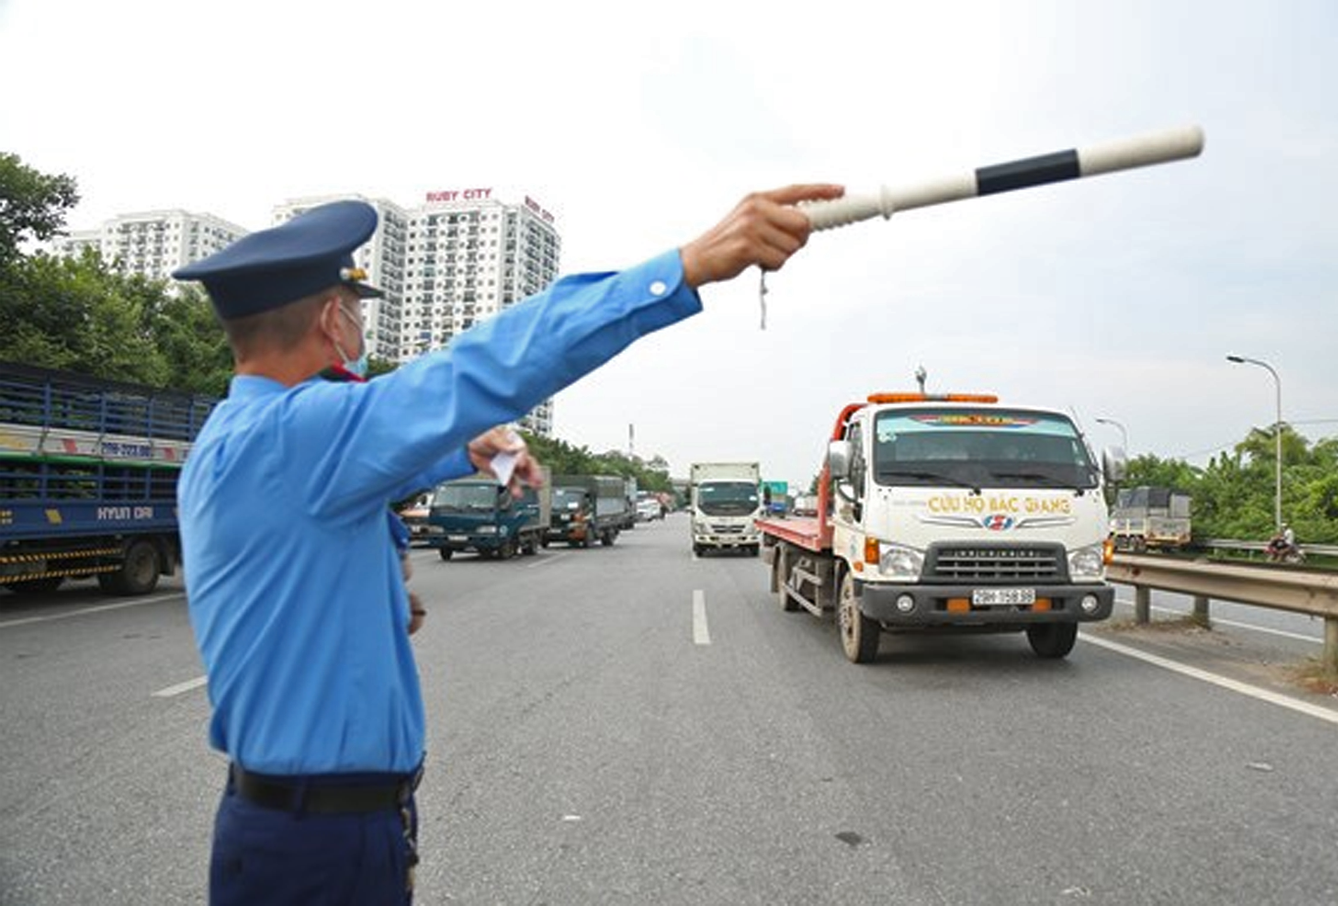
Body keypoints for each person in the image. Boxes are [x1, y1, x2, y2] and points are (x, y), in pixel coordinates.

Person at [172, 183, 841, 905]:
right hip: (318, 848)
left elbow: (339, 510)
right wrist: (687, 265)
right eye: (359, 316)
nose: (362, 336)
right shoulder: (296, 435)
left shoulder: (239, 442)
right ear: (334, 321)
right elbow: (481, 368)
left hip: (303, 827)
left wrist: (467, 457)